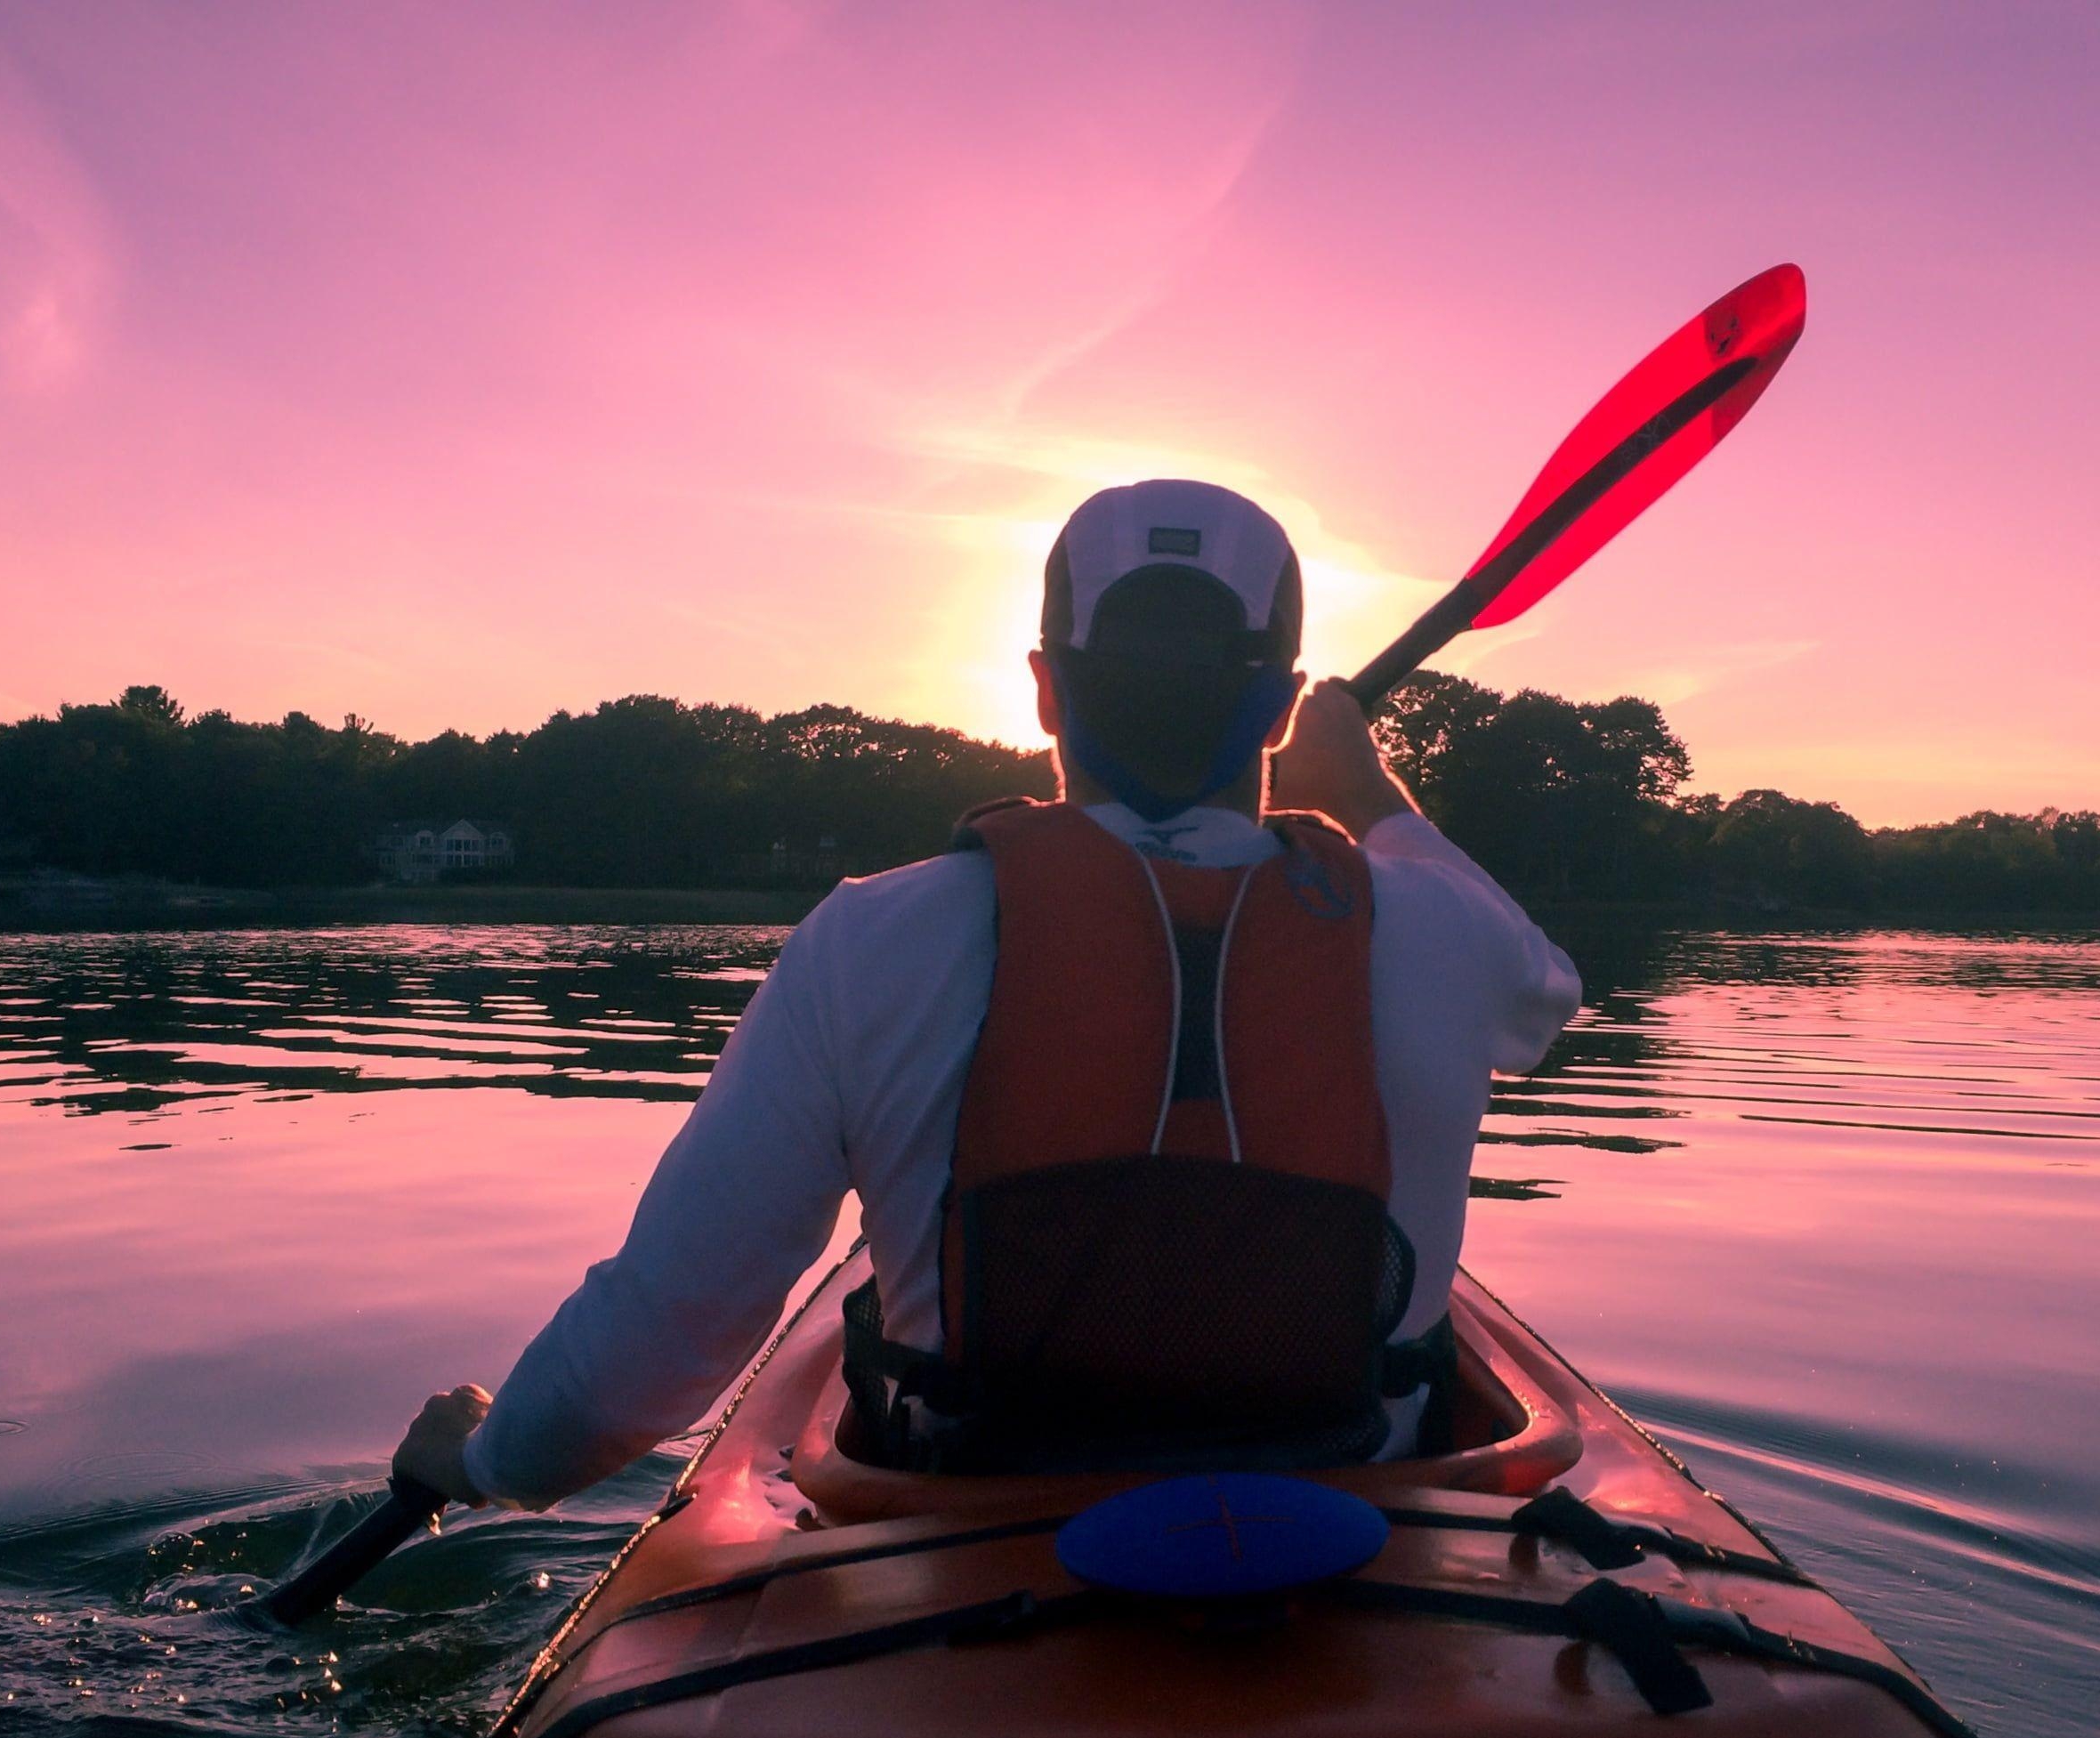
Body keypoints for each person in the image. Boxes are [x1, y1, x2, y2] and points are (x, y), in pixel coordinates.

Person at [394, 480, 1580, 1505]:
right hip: (1360, 1539)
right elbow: (1546, 993)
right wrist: (1367, 790)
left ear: (1045, 691)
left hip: (973, 1541)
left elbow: (659, 1336)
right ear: (1277, 706)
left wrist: (489, 1461)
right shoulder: (1439, 933)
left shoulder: (870, 938)